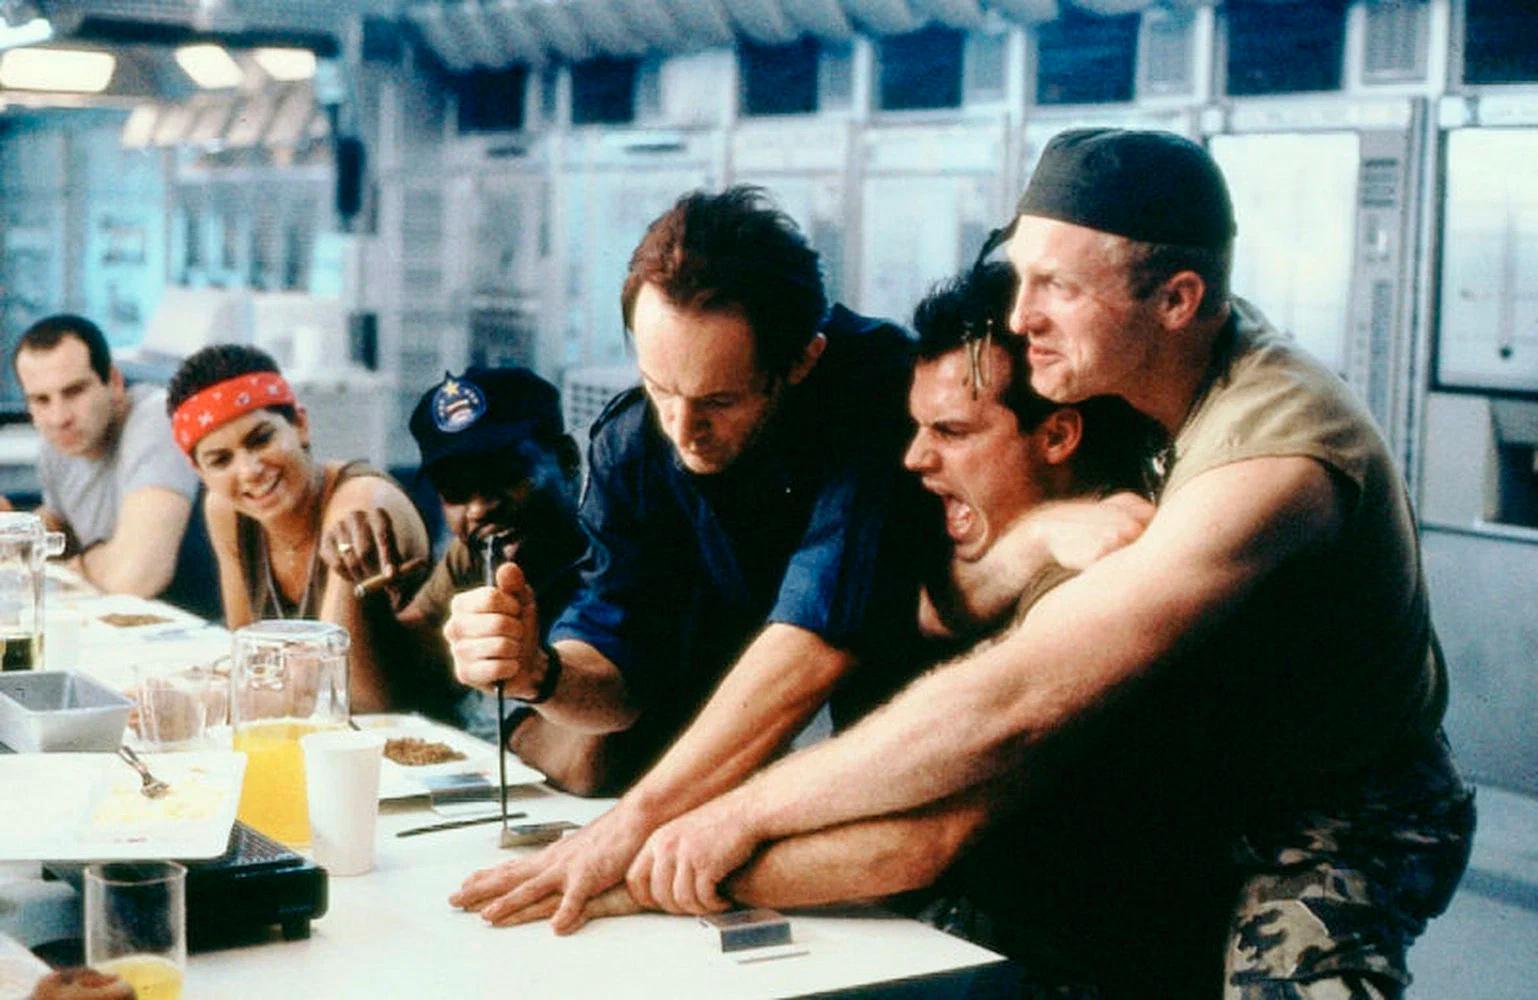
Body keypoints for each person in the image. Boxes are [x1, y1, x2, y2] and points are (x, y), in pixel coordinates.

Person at [565, 131, 1474, 998]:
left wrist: (713, 828)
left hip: (1333, 803)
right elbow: (944, 622)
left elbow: (1012, 703)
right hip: (1187, 781)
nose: (1020, 314)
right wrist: (1029, 544)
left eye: (1058, 287)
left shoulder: (1274, 457)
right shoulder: (1125, 387)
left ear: (1177, 300)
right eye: (1022, 274)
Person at [454, 262, 1169, 944]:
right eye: (659, 389)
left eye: (951, 432)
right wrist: (539, 673)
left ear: (1058, 435)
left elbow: (922, 838)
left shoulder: (1102, 563)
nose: (914, 459)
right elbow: (931, 611)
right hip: (942, 929)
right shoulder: (998, 537)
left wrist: (645, 871)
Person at [444, 185, 937, 922]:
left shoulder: (879, 393)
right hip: (755, 778)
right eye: (659, 387)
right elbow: (618, 676)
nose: (682, 428)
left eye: (719, 401)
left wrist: (629, 825)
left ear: (803, 359)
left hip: (933, 742)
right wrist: (537, 671)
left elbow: (817, 641)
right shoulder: (631, 444)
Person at [318, 366, 605, 791]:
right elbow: (384, 693)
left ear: (566, 460)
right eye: (455, 489)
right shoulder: (480, 551)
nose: (479, 508)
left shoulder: (611, 550)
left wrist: (508, 724)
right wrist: (352, 573)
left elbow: (582, 766)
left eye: (506, 474)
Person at [165, 344, 436, 715]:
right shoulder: (226, 510)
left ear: (300, 425)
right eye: (221, 460)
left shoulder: (360, 503)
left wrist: (199, 702)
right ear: (200, 472)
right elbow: (248, 657)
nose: (249, 471)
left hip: (427, 735)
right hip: (319, 731)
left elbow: (346, 695)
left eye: (261, 439)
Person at [7, 314, 210, 613]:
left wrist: (81, 563)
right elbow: (61, 525)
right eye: (40, 400)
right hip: (121, 621)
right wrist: (15, 530)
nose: (58, 417)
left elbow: (136, 578)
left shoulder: (158, 417)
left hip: (196, 624)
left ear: (113, 382)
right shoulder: (59, 440)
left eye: (74, 391)